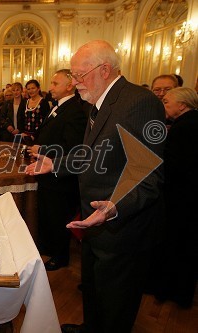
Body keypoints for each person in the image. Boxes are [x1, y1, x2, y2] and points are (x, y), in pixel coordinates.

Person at [25, 40, 165, 333]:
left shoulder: (139, 102)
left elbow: (148, 173)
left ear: (104, 70)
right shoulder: (98, 102)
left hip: (120, 225)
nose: (75, 82)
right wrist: (56, 164)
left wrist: (114, 207)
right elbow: (95, 152)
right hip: (95, 221)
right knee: (93, 287)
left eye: (79, 75)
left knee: (115, 300)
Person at [27, 69, 87, 271]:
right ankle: (49, 248)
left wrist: (42, 149)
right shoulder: (59, 107)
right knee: (50, 215)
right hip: (48, 174)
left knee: (60, 216)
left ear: (69, 86)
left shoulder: (75, 111)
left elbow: (73, 148)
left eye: (55, 83)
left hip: (61, 178)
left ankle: (60, 256)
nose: (50, 87)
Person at [153, 87, 197, 308]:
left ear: (182, 105)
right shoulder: (187, 123)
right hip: (185, 197)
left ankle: (172, 291)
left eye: (167, 102)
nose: (164, 104)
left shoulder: (186, 127)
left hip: (181, 198)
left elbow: (175, 166)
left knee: (177, 244)